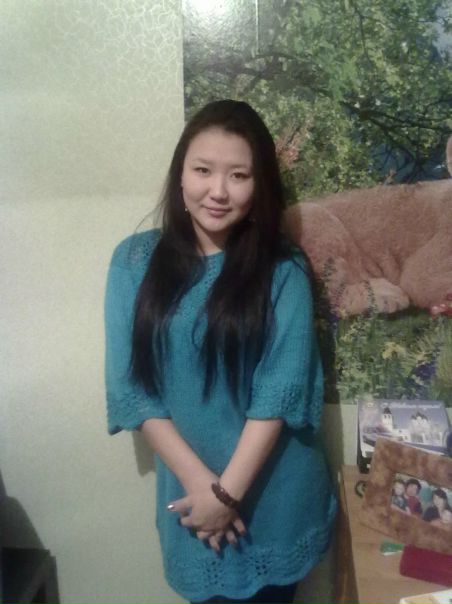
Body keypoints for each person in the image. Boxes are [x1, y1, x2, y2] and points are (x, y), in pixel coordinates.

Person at [104, 99, 336, 604]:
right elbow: (130, 390)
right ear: (180, 174)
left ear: (259, 185)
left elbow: (281, 390)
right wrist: (204, 490)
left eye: (238, 175)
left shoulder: (283, 267)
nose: (218, 191)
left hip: (276, 499)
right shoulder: (134, 261)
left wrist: (227, 493)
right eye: (203, 170)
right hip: (193, 502)